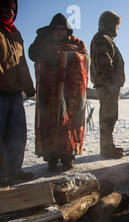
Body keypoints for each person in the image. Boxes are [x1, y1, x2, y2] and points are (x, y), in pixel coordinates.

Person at [29, 13, 88, 172]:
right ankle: (52, 158)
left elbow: (83, 56)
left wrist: (68, 56)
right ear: (52, 30)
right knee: (50, 122)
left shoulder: (75, 43)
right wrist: (43, 39)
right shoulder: (43, 42)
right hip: (49, 92)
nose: (60, 33)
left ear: (68, 31)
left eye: (63, 30)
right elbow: (33, 54)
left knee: (69, 122)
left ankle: (68, 156)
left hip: (71, 93)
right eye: (57, 29)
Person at [0, 0, 35, 187]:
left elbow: (21, 63)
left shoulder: (16, 33)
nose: (10, 12)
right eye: (5, 8)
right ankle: (2, 174)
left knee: (17, 134)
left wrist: (29, 86)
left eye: (13, 9)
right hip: (0, 92)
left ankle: (15, 170)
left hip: (15, 92)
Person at [90, 11, 125, 159]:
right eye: (117, 26)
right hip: (108, 85)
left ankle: (107, 145)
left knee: (109, 116)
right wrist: (113, 80)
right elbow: (104, 64)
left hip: (108, 85)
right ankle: (106, 148)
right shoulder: (103, 39)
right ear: (111, 25)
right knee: (108, 117)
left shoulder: (104, 39)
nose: (118, 29)